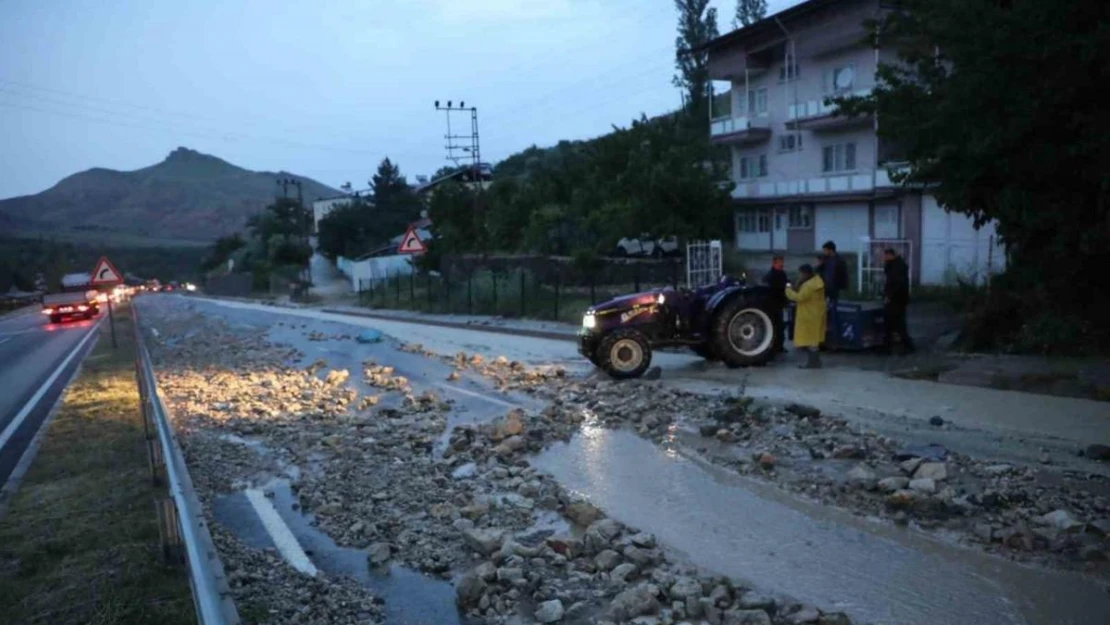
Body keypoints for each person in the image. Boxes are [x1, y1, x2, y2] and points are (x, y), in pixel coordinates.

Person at [785, 264, 827, 369]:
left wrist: (788, 290)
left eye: (801, 273)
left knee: (810, 340)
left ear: (805, 273)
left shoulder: (808, 285)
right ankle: (816, 362)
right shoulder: (817, 281)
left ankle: (813, 363)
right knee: (814, 339)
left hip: (808, 315)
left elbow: (799, 297)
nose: (800, 276)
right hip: (817, 313)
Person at [882, 248, 915, 354]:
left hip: (896, 300)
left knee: (897, 324)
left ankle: (907, 346)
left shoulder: (897, 267)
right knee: (892, 324)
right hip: (897, 299)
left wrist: (889, 296)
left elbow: (896, 284)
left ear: (890, 255)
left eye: (886, 256)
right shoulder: (895, 265)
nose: (884, 258)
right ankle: (890, 347)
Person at [820, 241, 849, 348]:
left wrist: (842, 287)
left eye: (825, 250)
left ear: (830, 250)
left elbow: (843, 276)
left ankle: (834, 340)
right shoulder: (826, 259)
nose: (824, 252)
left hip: (834, 289)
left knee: (833, 312)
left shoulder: (839, 261)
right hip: (825, 289)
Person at [761, 256, 788, 354]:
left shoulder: (782, 274)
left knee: (781, 326)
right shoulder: (770, 276)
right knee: (776, 325)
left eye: (782, 262)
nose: (781, 264)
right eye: (779, 263)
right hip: (773, 303)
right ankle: (776, 346)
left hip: (780, 303)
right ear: (774, 263)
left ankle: (779, 346)